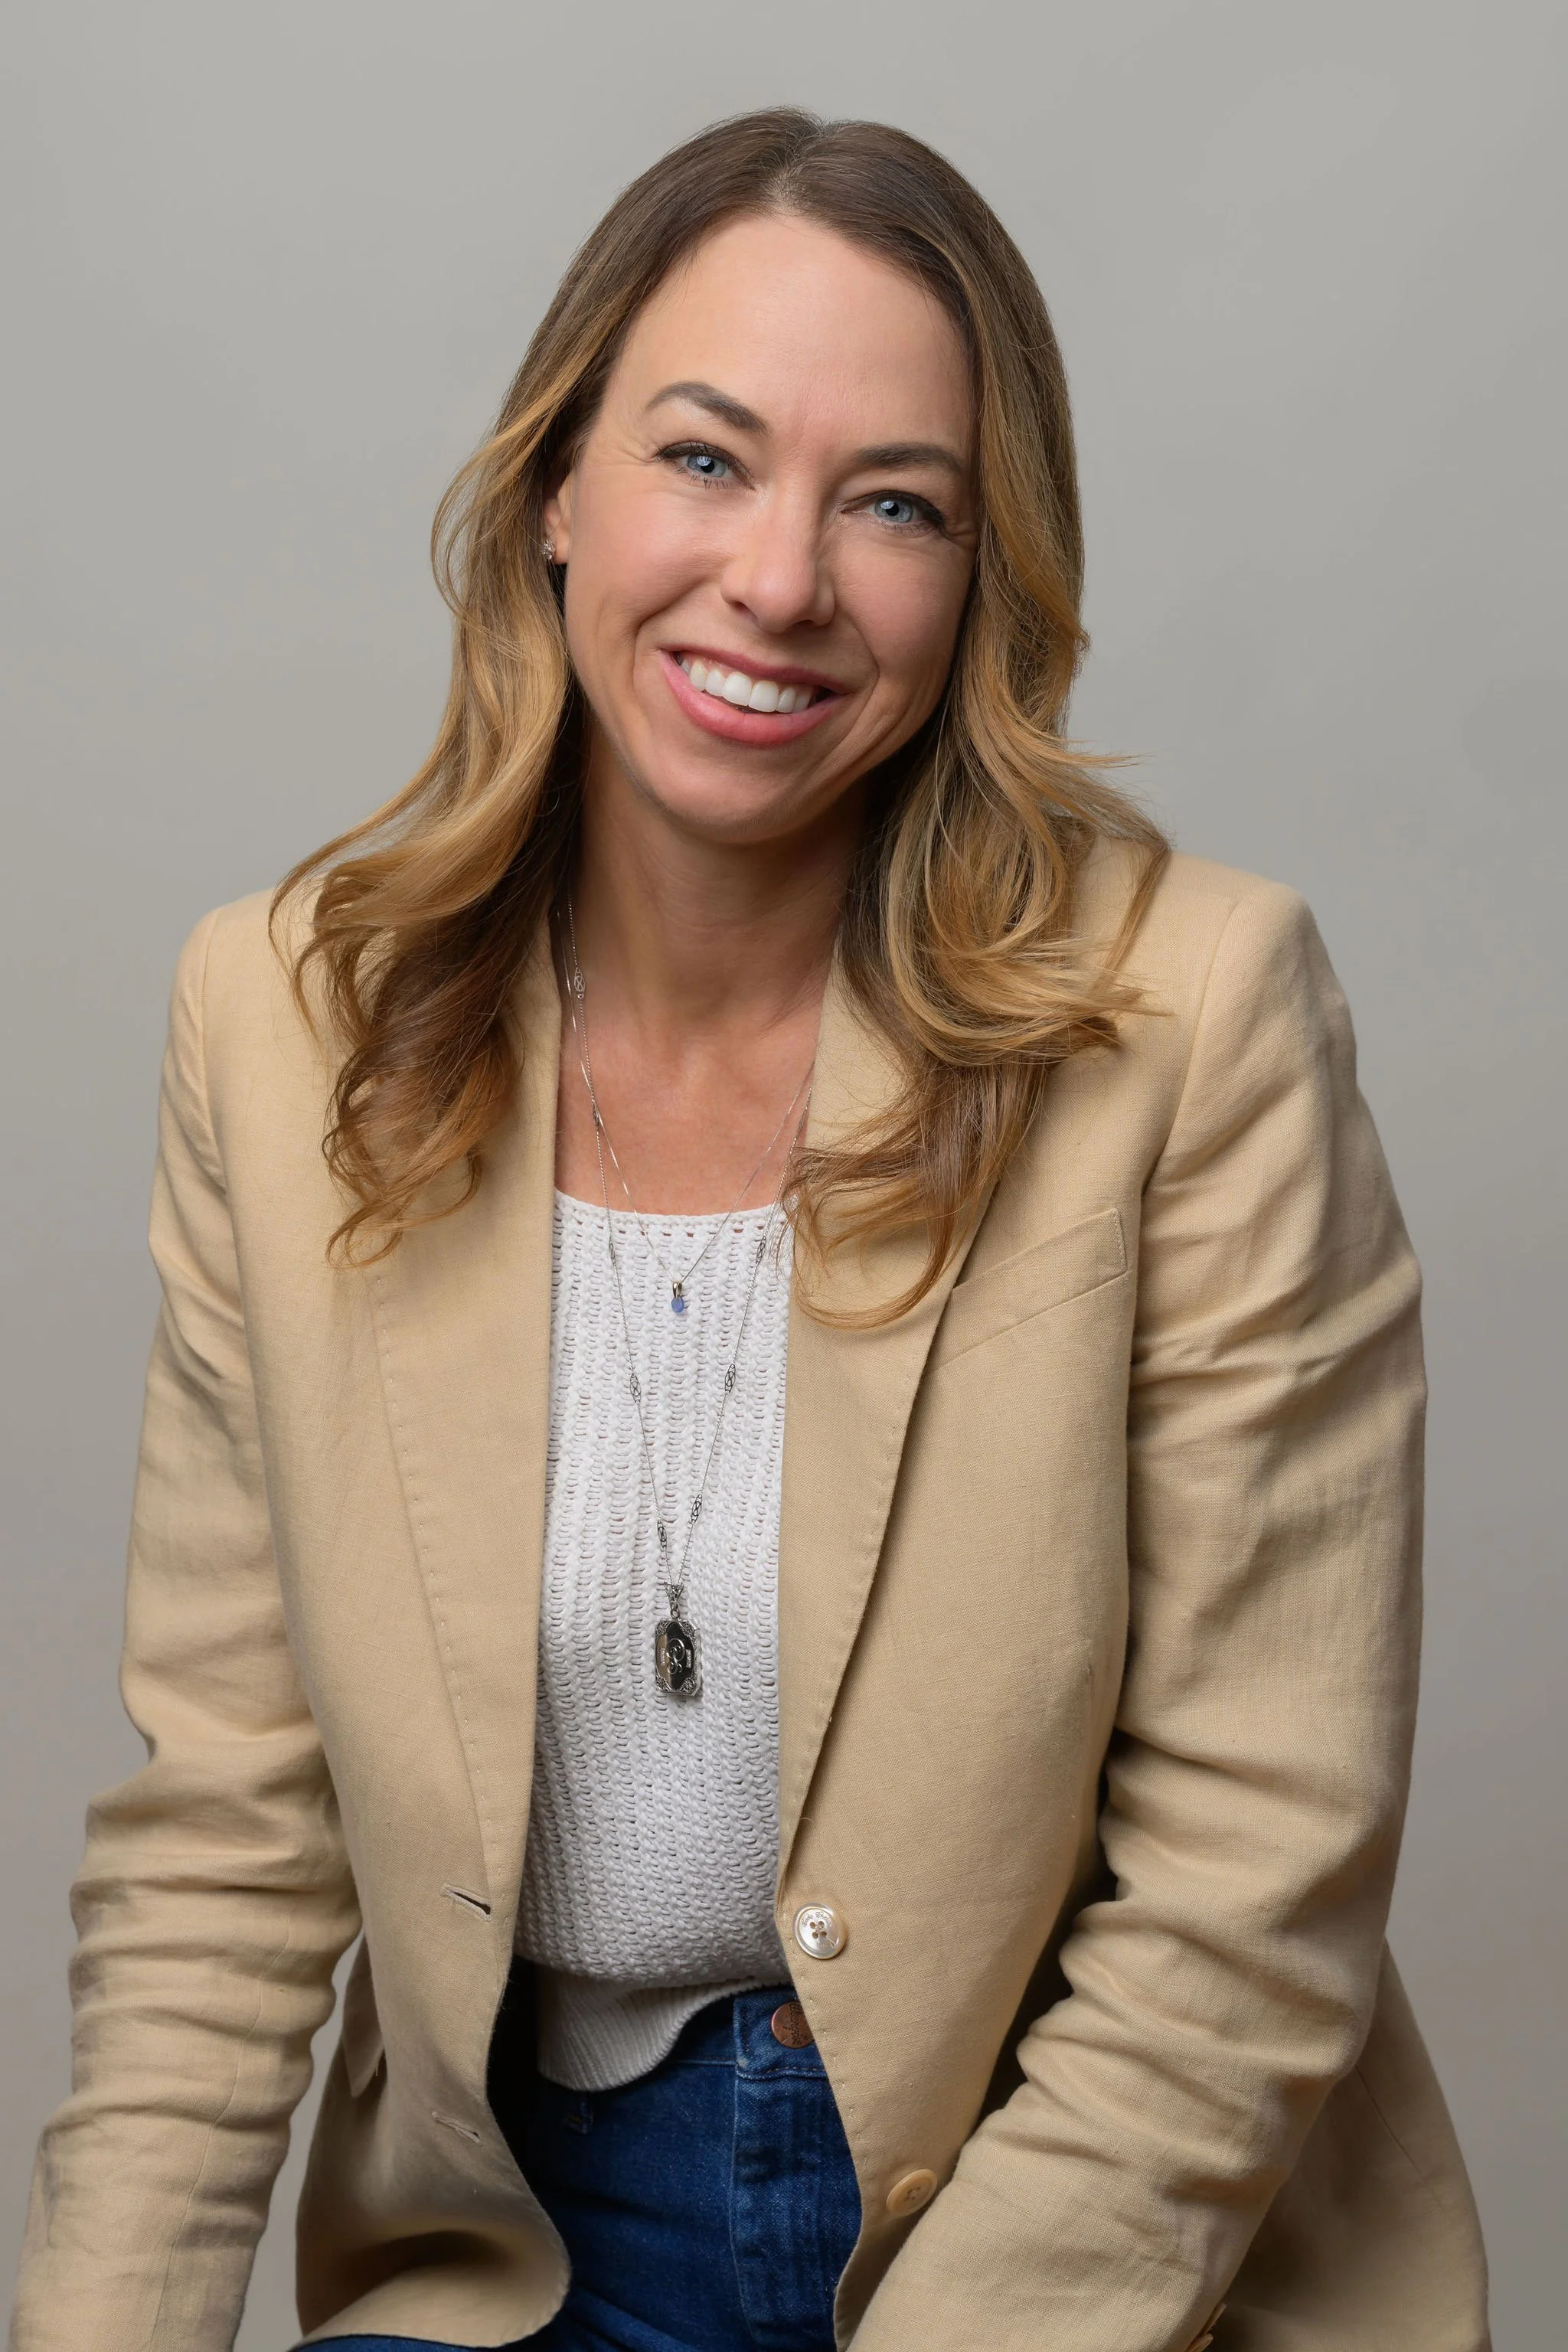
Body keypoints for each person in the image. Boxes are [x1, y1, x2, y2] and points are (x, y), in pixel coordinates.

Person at [11, 108, 1488, 2352]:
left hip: (1068, 2235)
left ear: (984, 586)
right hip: (515, 2244)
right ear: (555, 492)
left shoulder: (1195, 1021)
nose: (781, 580)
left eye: (896, 504)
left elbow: (1250, 1883)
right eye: (703, 458)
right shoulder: (285, 1024)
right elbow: (225, 1833)